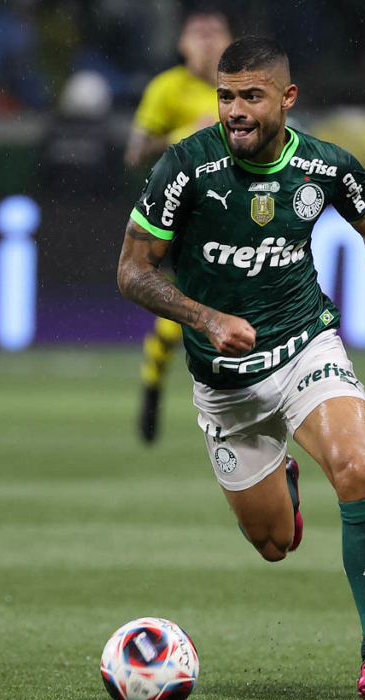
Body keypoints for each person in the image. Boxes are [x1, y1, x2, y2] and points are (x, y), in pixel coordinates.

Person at [117, 37, 365, 700]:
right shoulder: (185, 168)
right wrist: (205, 318)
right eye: (225, 96)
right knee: (273, 543)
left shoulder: (324, 165)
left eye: (251, 96)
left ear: (287, 98)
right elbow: (132, 271)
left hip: (304, 347)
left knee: (356, 468)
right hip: (225, 383)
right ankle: (281, 479)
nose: (235, 110)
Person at [125, 8, 233, 444]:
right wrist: (184, 133)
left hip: (238, 213)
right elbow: (135, 153)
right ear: (182, 44)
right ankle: (153, 384)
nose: (207, 41)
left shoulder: (241, 87)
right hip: (184, 215)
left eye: (215, 32)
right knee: (180, 311)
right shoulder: (167, 88)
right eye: (197, 33)